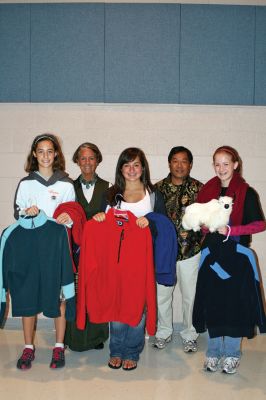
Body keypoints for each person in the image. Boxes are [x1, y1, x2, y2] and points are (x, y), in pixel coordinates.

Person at [193, 145, 266, 374]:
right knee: (213, 304)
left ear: (235, 164)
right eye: (217, 163)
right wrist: (203, 227)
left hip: (236, 257)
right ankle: (213, 351)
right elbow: (197, 222)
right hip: (211, 256)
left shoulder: (246, 191)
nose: (221, 168)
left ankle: (232, 353)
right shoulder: (207, 191)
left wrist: (231, 231)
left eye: (226, 163)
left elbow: (259, 224)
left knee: (235, 306)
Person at [92, 147, 166, 370]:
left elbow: (163, 227)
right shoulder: (110, 194)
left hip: (142, 261)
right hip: (115, 262)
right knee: (117, 303)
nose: (132, 170)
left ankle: (132, 351)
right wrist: (99, 216)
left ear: (143, 168)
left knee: (137, 306)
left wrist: (150, 222)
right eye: (127, 165)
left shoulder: (153, 195)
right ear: (120, 169)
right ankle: (116, 350)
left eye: (136, 165)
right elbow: (100, 222)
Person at [13, 133, 76, 370]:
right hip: (30, 249)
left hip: (56, 250)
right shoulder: (25, 183)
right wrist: (26, 214)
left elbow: (73, 216)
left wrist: (68, 217)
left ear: (56, 154)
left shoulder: (66, 185)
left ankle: (59, 347)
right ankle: (28, 347)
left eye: (50, 151)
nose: (45, 156)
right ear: (34, 154)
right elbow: (17, 215)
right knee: (28, 296)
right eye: (41, 151)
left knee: (59, 298)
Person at [154, 146, 203, 352]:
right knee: (162, 295)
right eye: (175, 160)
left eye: (184, 161)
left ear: (190, 164)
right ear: (169, 163)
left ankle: (190, 334)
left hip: (191, 251)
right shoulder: (156, 189)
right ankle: (163, 331)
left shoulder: (200, 189)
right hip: (164, 253)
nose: (180, 165)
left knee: (189, 295)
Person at [64, 142, 110, 351]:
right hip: (74, 249)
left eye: (91, 157)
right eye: (83, 158)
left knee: (96, 292)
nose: (87, 162)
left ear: (98, 160)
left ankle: (96, 337)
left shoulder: (109, 187)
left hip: (99, 250)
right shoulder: (68, 187)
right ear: (77, 161)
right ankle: (72, 338)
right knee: (75, 292)